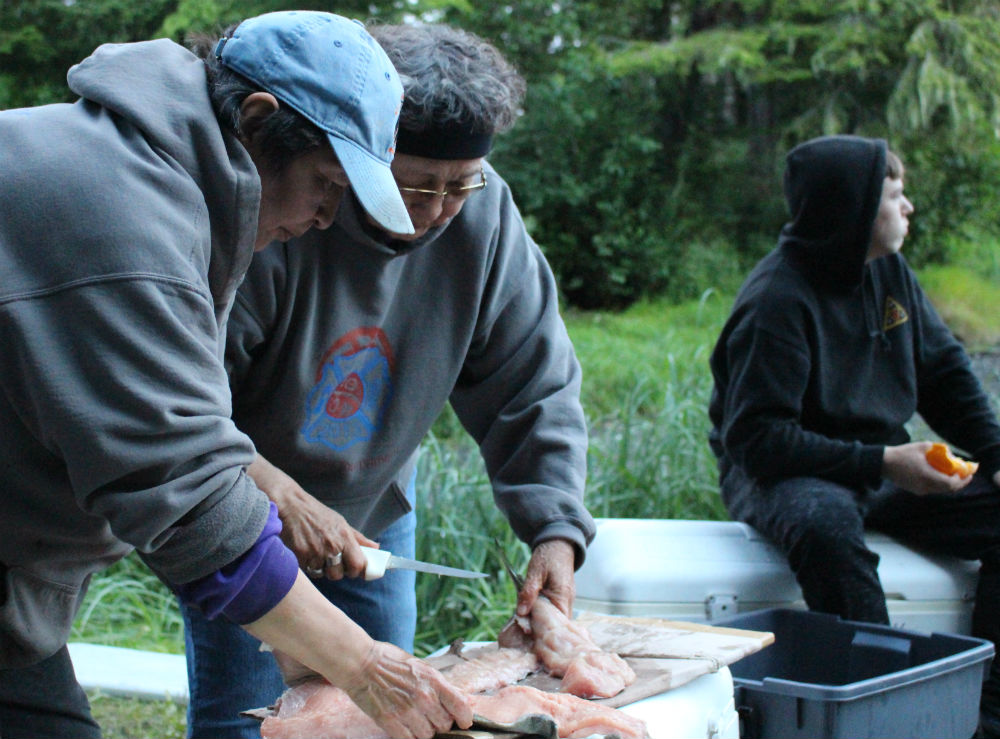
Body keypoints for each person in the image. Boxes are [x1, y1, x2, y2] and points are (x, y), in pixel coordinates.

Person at [0, 11, 475, 739]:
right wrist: (364, 664)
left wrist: (296, 632)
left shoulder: (160, 184)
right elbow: (184, 494)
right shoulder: (121, 211)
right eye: (324, 182)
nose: (328, 217)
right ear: (257, 120)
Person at [179, 22, 597, 738]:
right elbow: (182, 406)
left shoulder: (485, 216)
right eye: (415, 185)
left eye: (458, 187)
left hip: (377, 516)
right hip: (244, 510)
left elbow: (532, 381)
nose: (435, 212)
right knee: (253, 722)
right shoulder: (277, 211)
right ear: (356, 155)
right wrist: (272, 496)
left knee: (389, 716)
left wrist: (555, 529)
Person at [708, 134, 1000, 736]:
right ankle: (889, 715)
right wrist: (886, 461)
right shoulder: (776, 301)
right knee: (825, 527)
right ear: (856, 209)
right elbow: (757, 440)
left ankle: (984, 709)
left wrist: (995, 451)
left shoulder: (888, 272)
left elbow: (944, 372)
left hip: (879, 465)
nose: (909, 207)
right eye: (896, 194)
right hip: (786, 473)